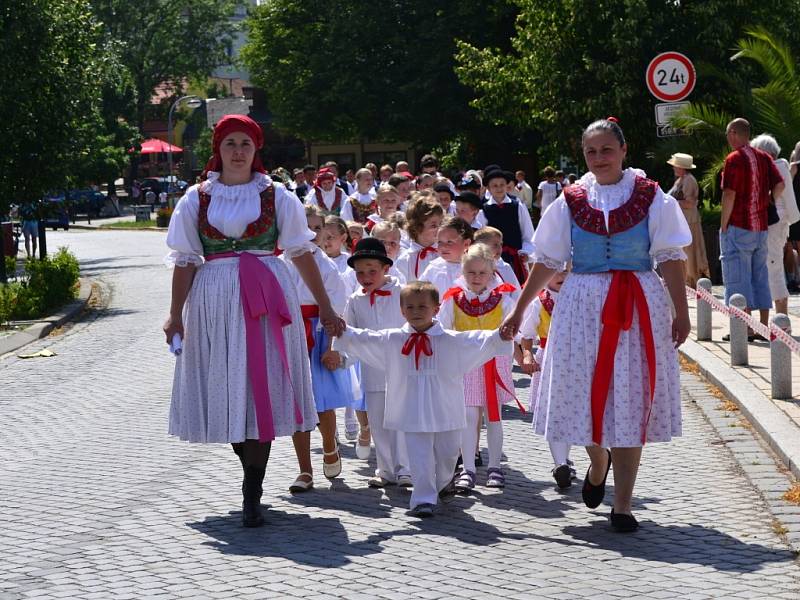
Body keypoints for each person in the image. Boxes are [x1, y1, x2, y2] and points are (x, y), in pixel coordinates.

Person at [500, 117, 692, 532]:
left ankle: (621, 505)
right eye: (592, 151)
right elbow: (547, 260)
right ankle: (597, 458)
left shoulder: (651, 196)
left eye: (607, 149)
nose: (600, 157)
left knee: (629, 396)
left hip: (637, 301)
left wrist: (681, 310)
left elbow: (671, 256)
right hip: (581, 303)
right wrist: (518, 310)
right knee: (578, 391)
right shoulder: (569, 199)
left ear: (624, 151)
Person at [163, 114, 343, 528]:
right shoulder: (197, 198)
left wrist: (326, 307)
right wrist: (175, 314)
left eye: (246, 143)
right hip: (214, 300)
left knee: (260, 387)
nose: (238, 151)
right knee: (225, 385)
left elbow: (301, 253)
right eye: (231, 144)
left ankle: (252, 488)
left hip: (265, 294)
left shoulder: (277, 195)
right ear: (218, 150)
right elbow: (186, 260)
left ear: (256, 149)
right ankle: (250, 470)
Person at [333, 281, 513, 517]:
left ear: (436, 309)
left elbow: (478, 341)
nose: (416, 312)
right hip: (412, 408)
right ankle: (422, 499)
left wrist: (499, 335)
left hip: (445, 408)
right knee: (418, 455)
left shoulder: (451, 340)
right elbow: (367, 339)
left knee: (448, 454)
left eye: (422, 307)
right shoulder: (393, 339)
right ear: (401, 310)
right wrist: (343, 332)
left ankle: (445, 481)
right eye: (410, 307)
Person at [281, 205, 356, 492]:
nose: (310, 233)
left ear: (324, 230)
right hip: (290, 334)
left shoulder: (326, 266)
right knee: (297, 402)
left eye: (316, 228)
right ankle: (304, 469)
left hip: (320, 333)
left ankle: (329, 446)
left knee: (322, 401)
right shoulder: (283, 261)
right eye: (305, 227)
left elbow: (340, 309)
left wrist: (334, 346)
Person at [439, 244, 519, 492]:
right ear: (463, 271)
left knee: (494, 417)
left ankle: (495, 466)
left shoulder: (503, 299)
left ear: (492, 271)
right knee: (468, 417)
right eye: (471, 272)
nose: (476, 278)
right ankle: (468, 469)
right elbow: (443, 330)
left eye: (482, 273)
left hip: (494, 364)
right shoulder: (453, 299)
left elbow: (512, 330)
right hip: (466, 365)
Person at [342, 238, 411, 486]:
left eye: (372, 271)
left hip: (401, 367)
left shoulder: (402, 293)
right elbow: (347, 332)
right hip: (371, 369)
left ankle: (406, 468)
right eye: (360, 272)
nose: (366, 277)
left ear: (386, 269)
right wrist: (340, 356)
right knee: (378, 420)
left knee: (401, 418)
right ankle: (385, 468)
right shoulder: (355, 300)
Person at [720, 118, 785, 340]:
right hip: (761, 227)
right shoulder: (764, 157)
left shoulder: (734, 159)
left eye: (728, 134)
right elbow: (780, 184)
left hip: (739, 225)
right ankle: (763, 325)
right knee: (760, 275)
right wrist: (768, 200)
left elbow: (729, 194)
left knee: (738, 278)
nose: (728, 138)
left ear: (734, 133)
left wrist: (723, 224)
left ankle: (743, 328)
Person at [518, 268, 575, 488]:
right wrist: (527, 354)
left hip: (575, 360)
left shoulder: (579, 298)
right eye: (555, 272)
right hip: (549, 360)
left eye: (566, 271)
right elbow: (526, 335)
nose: (561, 276)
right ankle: (559, 462)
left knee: (569, 412)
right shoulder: (539, 303)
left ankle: (565, 460)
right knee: (555, 411)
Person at [750, 134, 800, 316]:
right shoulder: (778, 167)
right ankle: (779, 319)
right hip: (775, 225)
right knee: (771, 268)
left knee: (774, 269)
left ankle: (782, 320)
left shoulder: (778, 167)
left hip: (774, 225)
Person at [482, 165, 535, 284]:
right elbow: (482, 236)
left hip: (516, 259)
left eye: (502, 184)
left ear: (507, 186)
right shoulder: (484, 209)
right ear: (489, 189)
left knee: (517, 290)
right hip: (493, 260)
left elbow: (528, 234)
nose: (499, 188)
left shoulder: (517, 206)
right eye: (494, 185)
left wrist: (526, 252)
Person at [666, 153, 710, 286]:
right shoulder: (680, 180)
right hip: (683, 220)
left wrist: (672, 202)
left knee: (690, 251)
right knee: (685, 250)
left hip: (689, 220)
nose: (674, 168)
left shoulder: (689, 180)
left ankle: (692, 280)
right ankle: (686, 279)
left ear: (681, 167)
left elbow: (690, 202)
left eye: (675, 166)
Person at [394, 193, 444, 282]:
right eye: (433, 225)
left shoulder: (446, 255)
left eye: (441, 224)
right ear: (417, 227)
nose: (439, 229)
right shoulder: (405, 260)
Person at [419, 216, 473, 297]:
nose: (443, 247)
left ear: (466, 244)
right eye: (440, 242)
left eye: (449, 242)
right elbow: (420, 293)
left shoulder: (475, 267)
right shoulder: (434, 267)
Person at [474, 226, 520, 293]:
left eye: (501, 244)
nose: (499, 248)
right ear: (481, 246)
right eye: (495, 245)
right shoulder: (473, 267)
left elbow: (516, 292)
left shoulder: (505, 268)